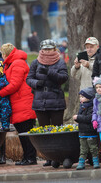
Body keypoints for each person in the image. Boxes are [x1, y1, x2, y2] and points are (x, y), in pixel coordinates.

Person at [0, 43, 37, 166]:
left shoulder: (17, 63)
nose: (2, 58)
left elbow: (14, 85)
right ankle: (27, 157)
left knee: (25, 132)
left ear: (6, 54)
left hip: (23, 103)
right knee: (22, 132)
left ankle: (30, 158)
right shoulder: (12, 63)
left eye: (2, 55)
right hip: (18, 103)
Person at [26, 39, 68, 167]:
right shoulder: (35, 62)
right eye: (45, 49)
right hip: (40, 100)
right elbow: (29, 78)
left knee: (56, 131)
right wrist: (35, 83)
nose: (47, 51)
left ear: (54, 49)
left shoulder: (60, 62)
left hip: (56, 100)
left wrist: (49, 72)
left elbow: (63, 78)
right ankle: (48, 157)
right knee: (44, 131)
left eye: (50, 49)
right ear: (41, 50)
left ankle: (58, 157)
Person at [73, 87, 100, 170]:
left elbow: (89, 118)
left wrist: (78, 117)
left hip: (90, 131)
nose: (80, 98)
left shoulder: (92, 107)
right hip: (82, 132)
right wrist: (77, 119)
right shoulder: (81, 107)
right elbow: (81, 119)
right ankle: (81, 162)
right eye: (80, 97)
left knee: (93, 148)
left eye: (82, 97)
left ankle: (95, 161)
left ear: (89, 98)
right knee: (83, 149)